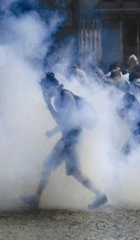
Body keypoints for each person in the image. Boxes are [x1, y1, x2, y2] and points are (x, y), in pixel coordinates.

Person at [21, 72, 108, 209]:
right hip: (69, 136)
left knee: (51, 165)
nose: (45, 92)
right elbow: (63, 121)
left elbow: (70, 120)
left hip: (72, 136)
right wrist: (50, 112)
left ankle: (37, 197)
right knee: (73, 171)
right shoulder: (57, 100)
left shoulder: (66, 96)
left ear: (52, 87)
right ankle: (100, 195)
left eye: (45, 89)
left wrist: (50, 109)